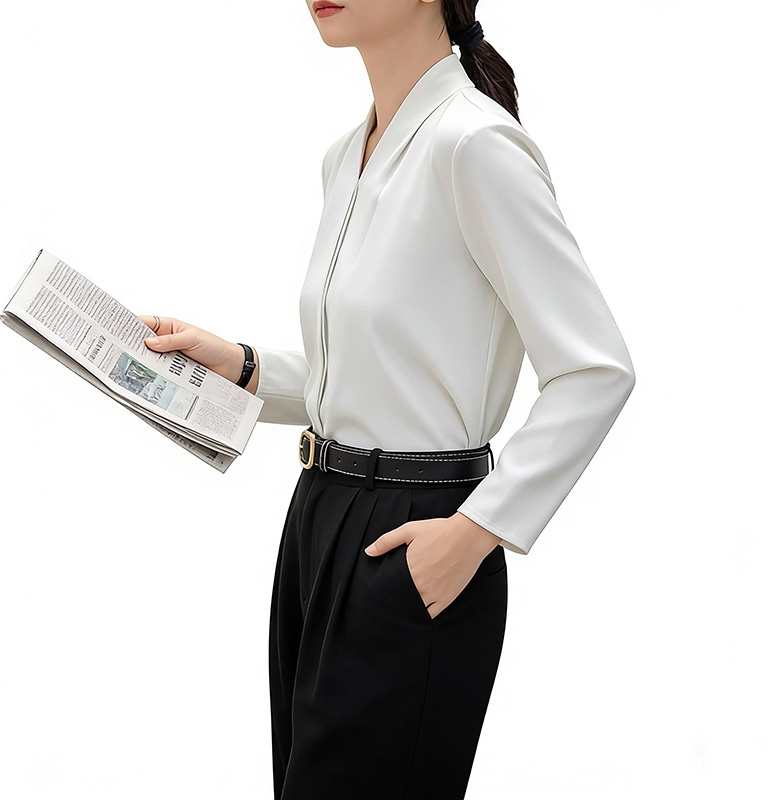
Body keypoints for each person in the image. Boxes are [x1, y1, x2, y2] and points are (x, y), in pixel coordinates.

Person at [140, 1, 635, 798]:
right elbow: (383, 372)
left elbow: (596, 368)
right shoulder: (346, 157)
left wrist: (475, 533)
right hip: (317, 519)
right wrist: (242, 366)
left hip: (415, 529)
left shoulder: (474, 145)